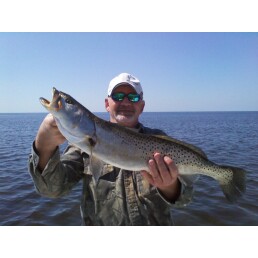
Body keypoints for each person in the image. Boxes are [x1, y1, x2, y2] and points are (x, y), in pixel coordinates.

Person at [28, 72, 193, 225]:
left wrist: (169, 187)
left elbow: (185, 199)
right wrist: (44, 148)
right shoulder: (80, 148)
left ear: (141, 106)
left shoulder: (159, 141)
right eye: (118, 96)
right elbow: (51, 190)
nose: (126, 102)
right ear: (107, 104)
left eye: (133, 98)